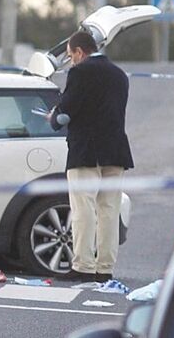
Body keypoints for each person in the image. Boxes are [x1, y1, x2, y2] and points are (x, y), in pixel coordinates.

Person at [50, 30, 133, 282]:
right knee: (109, 210)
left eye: (71, 56)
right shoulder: (120, 75)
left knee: (83, 209)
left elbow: (67, 109)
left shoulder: (80, 72)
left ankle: (83, 266)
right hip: (115, 150)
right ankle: (104, 269)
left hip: (86, 149)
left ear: (79, 52)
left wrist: (53, 118)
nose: (71, 61)